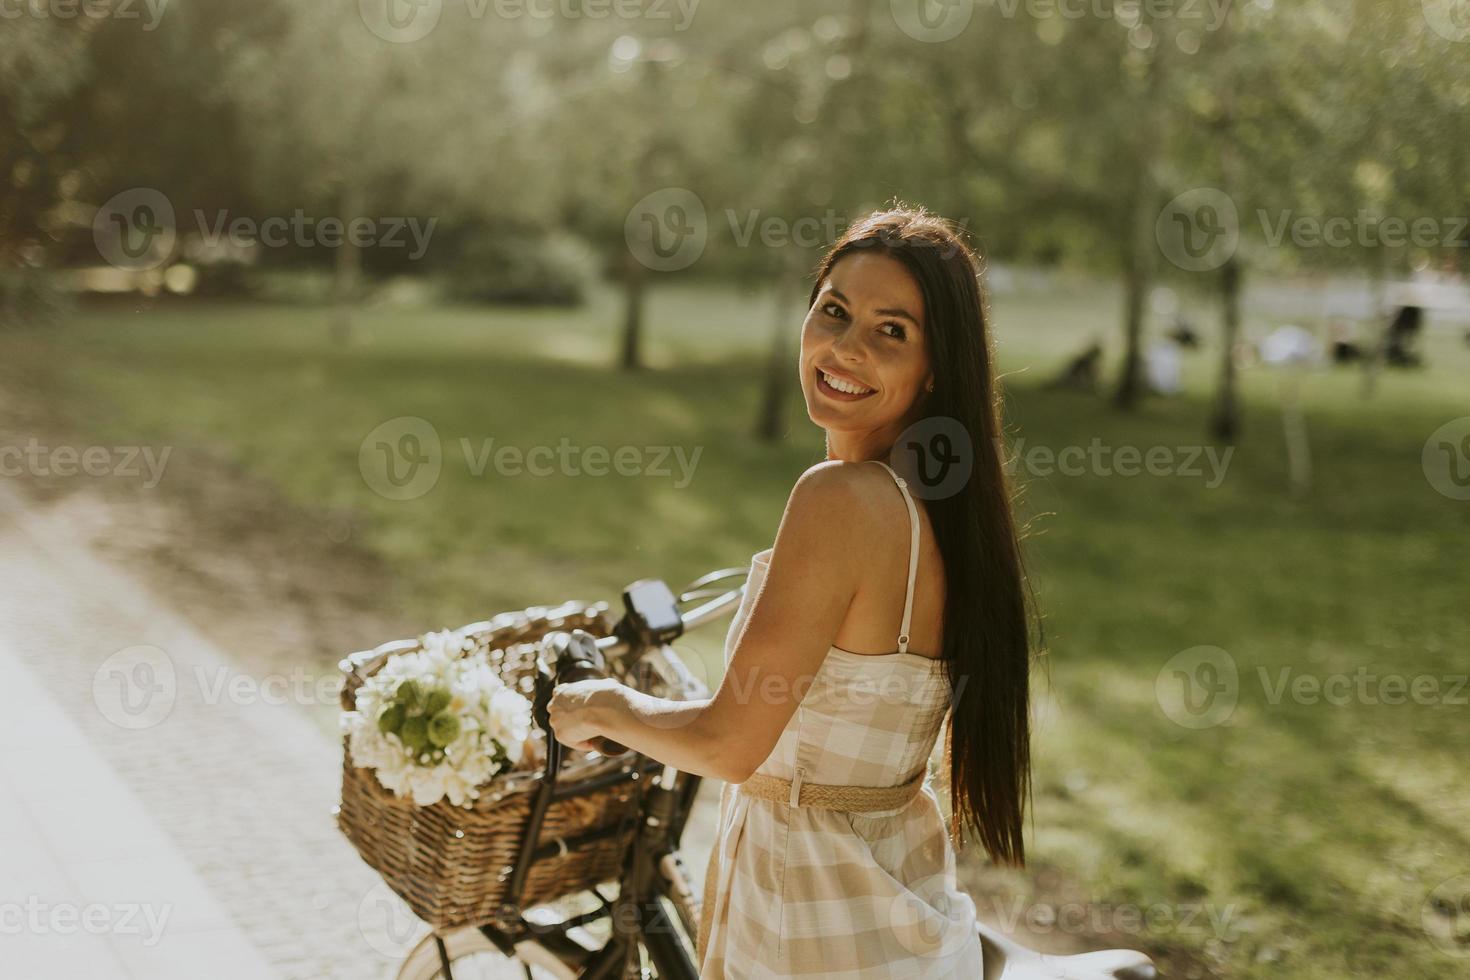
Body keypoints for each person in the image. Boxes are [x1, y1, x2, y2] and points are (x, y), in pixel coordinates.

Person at [548, 207, 1035, 977]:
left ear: (935, 368)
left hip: (804, 931)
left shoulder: (841, 498)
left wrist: (600, 706)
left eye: (891, 331)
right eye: (834, 311)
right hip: (896, 919)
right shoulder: (943, 513)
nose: (845, 347)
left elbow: (727, 744)